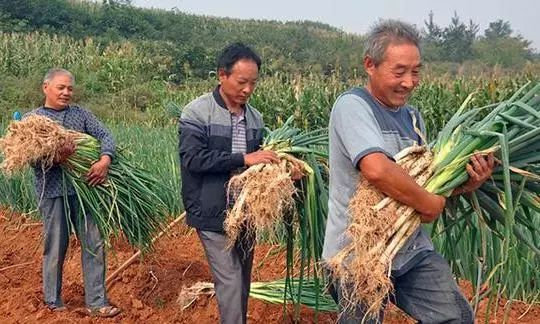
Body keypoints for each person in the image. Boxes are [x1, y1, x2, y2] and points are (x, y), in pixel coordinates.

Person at [322, 20, 494, 323]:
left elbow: (426, 193)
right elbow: (376, 169)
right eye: (399, 71)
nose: (409, 81)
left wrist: (465, 183)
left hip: (411, 250)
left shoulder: (413, 119)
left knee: (456, 317)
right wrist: (429, 203)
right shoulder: (352, 106)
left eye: (415, 72)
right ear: (370, 65)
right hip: (358, 253)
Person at [178, 43, 278, 324]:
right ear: (222, 75)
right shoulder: (197, 112)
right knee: (231, 281)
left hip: (246, 212)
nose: (247, 89)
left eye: (253, 83)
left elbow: (261, 164)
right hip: (211, 211)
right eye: (241, 82)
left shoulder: (255, 118)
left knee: (243, 281)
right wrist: (243, 158)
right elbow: (193, 159)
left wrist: (282, 170)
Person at [27, 68, 121, 318]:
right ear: (46, 87)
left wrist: (104, 160)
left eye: (70, 88)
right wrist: (57, 156)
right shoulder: (33, 120)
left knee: (94, 242)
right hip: (53, 191)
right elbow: (31, 159)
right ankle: (52, 301)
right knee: (56, 245)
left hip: (85, 189)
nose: (66, 92)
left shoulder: (80, 115)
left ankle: (97, 301)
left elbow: (105, 135)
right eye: (61, 87)